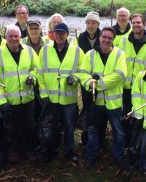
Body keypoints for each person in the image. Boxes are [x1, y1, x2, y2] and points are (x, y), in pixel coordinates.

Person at [77, 27, 127, 169]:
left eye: (110, 38)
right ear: (99, 37)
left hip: (114, 103)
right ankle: (91, 156)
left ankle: (118, 156)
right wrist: (89, 82)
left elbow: (120, 75)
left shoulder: (119, 54)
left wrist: (98, 84)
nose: (106, 40)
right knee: (93, 129)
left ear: (113, 40)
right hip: (96, 102)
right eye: (104, 37)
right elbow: (82, 74)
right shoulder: (90, 55)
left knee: (118, 131)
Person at [0, 25, 38, 163]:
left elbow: (36, 69)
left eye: (16, 36)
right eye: (10, 36)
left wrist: (32, 78)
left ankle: (28, 150)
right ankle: (14, 151)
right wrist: (2, 102)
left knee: (29, 126)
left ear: (20, 37)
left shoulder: (29, 51)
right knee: (12, 128)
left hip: (28, 98)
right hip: (10, 100)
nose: (13, 39)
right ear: (5, 38)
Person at [37, 23, 84, 162]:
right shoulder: (44, 50)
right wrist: (44, 95)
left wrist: (74, 78)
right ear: (52, 34)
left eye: (62, 33)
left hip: (68, 99)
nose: (59, 35)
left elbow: (83, 70)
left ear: (67, 35)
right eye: (56, 33)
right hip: (51, 98)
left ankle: (69, 152)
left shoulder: (77, 51)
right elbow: (40, 74)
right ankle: (52, 150)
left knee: (69, 127)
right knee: (52, 126)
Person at [119, 13, 146, 146]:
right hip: (125, 86)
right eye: (133, 23)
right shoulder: (123, 41)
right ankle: (126, 142)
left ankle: (138, 143)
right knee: (126, 114)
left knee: (139, 115)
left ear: (144, 25)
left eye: (138, 22)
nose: (135, 25)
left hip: (141, 87)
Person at [76, 11, 101, 145]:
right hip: (86, 78)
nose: (91, 25)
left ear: (97, 24)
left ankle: (98, 134)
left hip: (99, 78)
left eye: (94, 23)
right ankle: (85, 134)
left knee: (98, 106)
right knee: (87, 105)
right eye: (89, 23)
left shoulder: (103, 36)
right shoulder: (81, 37)